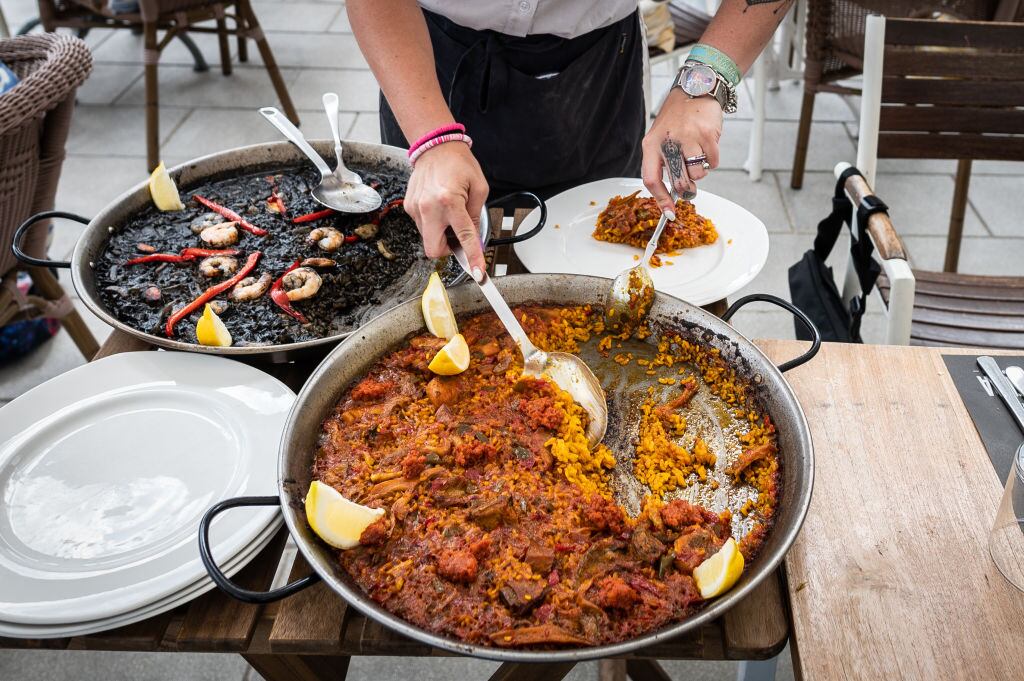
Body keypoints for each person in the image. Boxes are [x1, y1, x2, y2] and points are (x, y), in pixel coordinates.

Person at [348, 0, 794, 280]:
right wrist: (433, 137)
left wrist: (703, 82)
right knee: (440, 267)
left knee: (597, 265)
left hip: (597, 61)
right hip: (428, 56)